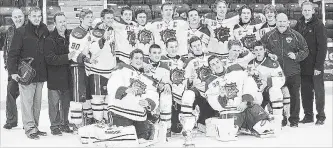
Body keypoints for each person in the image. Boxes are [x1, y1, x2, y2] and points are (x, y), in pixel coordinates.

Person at [205, 55, 276, 138]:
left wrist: (245, 101)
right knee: (228, 135)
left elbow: (249, 83)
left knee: (264, 128)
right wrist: (222, 96)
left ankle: (249, 126)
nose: (216, 65)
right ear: (210, 68)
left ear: (222, 62)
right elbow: (213, 102)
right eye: (213, 64)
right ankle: (242, 127)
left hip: (246, 107)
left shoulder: (236, 70)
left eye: (217, 62)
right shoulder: (209, 82)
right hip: (229, 112)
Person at [8, 7, 49, 139]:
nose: (37, 18)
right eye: (34, 16)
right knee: (27, 103)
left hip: (40, 73)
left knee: (37, 104)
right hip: (25, 74)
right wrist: (13, 72)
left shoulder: (44, 30)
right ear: (29, 17)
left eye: (39, 16)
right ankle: (29, 128)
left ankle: (35, 127)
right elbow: (12, 54)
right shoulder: (21, 32)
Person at [261, 13, 309, 127]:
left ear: (288, 22)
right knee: (276, 95)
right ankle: (280, 118)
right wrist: (268, 54)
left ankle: (294, 120)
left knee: (294, 96)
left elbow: (305, 50)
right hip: (276, 73)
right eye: (279, 21)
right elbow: (261, 48)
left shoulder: (296, 35)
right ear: (275, 22)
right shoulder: (269, 35)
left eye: (284, 21)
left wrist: (296, 56)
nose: (282, 24)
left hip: (293, 72)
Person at [107, 49, 159, 140]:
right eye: (136, 58)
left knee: (143, 141)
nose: (139, 60)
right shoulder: (121, 69)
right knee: (124, 142)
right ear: (130, 59)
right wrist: (126, 90)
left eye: (141, 58)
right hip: (120, 113)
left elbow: (153, 93)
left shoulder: (147, 78)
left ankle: (149, 126)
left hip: (139, 117)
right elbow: (112, 84)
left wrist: (148, 102)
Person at [294, 1, 327, 125]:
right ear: (302, 11)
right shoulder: (299, 23)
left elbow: (322, 47)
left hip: (315, 66)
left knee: (318, 92)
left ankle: (321, 116)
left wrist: (318, 66)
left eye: (309, 10)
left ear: (313, 11)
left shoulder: (319, 25)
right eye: (305, 10)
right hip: (303, 65)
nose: (307, 12)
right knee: (306, 92)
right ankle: (308, 116)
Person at [44, 12, 74, 135]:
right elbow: (50, 59)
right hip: (54, 77)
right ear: (55, 24)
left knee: (65, 103)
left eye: (64, 21)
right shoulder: (49, 39)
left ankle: (64, 123)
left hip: (67, 76)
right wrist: (66, 57)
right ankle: (54, 126)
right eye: (60, 22)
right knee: (54, 104)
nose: (63, 24)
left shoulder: (70, 37)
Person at [248, 41, 288, 131]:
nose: (258, 52)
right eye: (256, 50)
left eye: (261, 49)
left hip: (268, 90)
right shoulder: (250, 63)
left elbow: (281, 79)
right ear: (253, 51)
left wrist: (267, 79)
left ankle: (278, 118)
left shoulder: (272, 62)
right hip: (257, 91)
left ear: (265, 50)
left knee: (275, 91)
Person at [87, 9, 117, 124]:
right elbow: (93, 50)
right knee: (97, 99)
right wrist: (103, 38)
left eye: (111, 18)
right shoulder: (95, 32)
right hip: (98, 71)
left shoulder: (112, 31)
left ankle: (106, 120)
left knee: (108, 98)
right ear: (102, 19)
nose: (110, 20)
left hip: (110, 71)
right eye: (107, 18)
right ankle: (98, 121)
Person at [68, 9, 95, 129]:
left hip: (87, 67)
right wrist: (85, 59)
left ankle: (87, 119)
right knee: (78, 95)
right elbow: (73, 53)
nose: (90, 19)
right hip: (77, 67)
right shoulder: (77, 32)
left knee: (87, 95)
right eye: (87, 17)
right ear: (81, 19)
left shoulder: (88, 31)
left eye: (91, 17)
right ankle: (76, 123)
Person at [143, 44, 172, 139]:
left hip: (158, 91)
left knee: (166, 94)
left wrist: (167, 84)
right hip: (146, 91)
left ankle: (166, 127)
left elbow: (166, 79)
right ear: (149, 54)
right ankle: (148, 124)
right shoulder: (143, 64)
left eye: (159, 53)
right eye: (154, 53)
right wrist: (143, 69)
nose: (157, 55)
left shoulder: (165, 66)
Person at [160, 38, 187, 134]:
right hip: (168, 93)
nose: (174, 49)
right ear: (166, 48)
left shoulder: (183, 60)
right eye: (171, 47)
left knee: (177, 129)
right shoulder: (161, 59)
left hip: (181, 94)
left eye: (175, 46)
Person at [2, 8, 24, 130]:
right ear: (12, 18)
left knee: (27, 98)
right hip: (13, 70)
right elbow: (6, 49)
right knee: (10, 94)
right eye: (15, 17)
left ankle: (29, 123)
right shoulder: (10, 31)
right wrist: (8, 66)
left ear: (24, 16)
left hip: (27, 70)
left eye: (19, 16)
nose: (17, 19)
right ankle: (11, 121)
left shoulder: (28, 30)